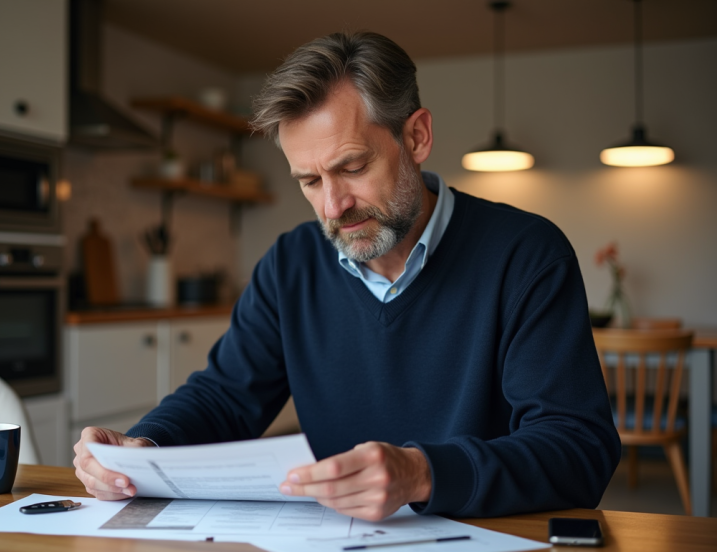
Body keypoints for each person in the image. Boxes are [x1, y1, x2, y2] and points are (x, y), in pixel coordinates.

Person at [74, 31, 620, 521]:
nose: (333, 206)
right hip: (338, 549)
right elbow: (224, 396)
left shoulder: (527, 254)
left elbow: (578, 449)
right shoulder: (291, 264)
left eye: (353, 168)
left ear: (417, 136)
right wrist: (143, 446)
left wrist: (422, 473)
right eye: (309, 180)